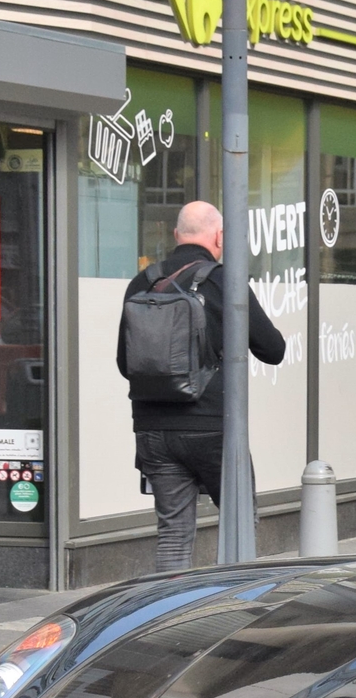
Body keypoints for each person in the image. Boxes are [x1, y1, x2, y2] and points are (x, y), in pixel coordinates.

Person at [117, 201, 286, 572]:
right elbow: (273, 350)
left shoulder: (143, 281)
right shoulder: (223, 280)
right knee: (239, 524)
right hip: (212, 426)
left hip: (153, 429)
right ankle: (232, 608)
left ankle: (167, 617)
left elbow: (123, 363)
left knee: (173, 535)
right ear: (219, 237)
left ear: (177, 235)